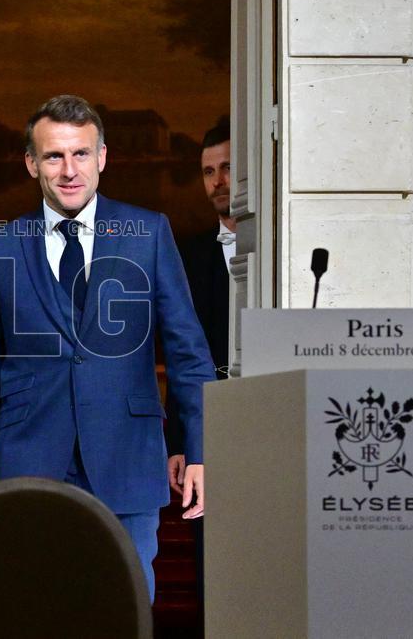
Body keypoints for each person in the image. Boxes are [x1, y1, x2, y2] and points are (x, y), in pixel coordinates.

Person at [0, 95, 215, 601]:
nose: (69, 170)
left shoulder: (149, 233)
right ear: (32, 164)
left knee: (125, 608)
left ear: (102, 157)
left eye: (81, 154)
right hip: (28, 466)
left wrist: (203, 451)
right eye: (54, 156)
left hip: (127, 461)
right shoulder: (1, 245)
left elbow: (190, 355)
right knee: (35, 614)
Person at [167, 115, 234, 608]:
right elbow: (181, 356)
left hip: (280, 425)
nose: (219, 182)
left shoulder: (287, 251)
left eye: (229, 167)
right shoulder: (186, 257)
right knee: (213, 571)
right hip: (209, 434)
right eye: (209, 171)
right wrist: (180, 442)